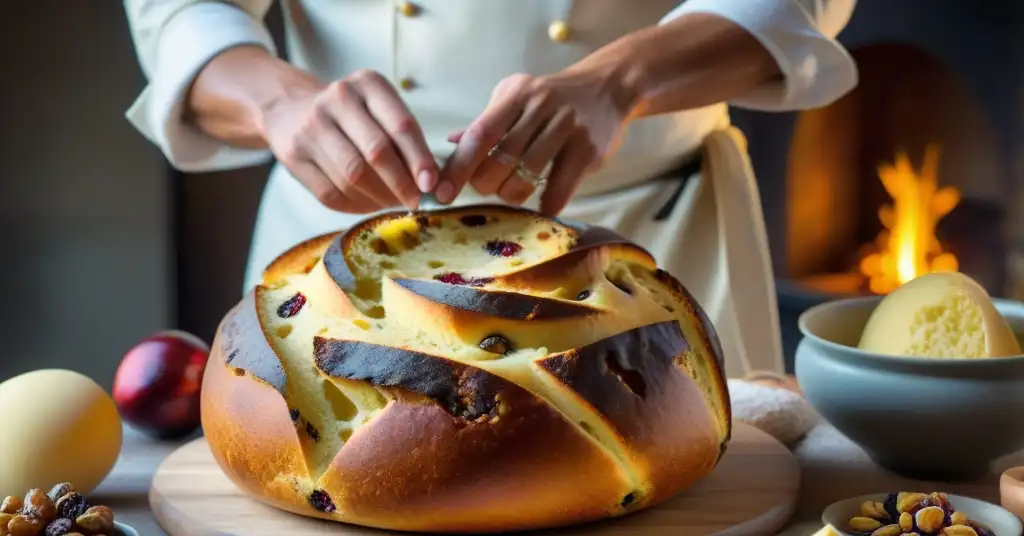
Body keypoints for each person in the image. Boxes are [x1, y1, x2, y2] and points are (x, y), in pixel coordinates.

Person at [123, 0, 857, 377]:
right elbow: (182, 11)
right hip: (343, 246)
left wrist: (622, 78)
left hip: (643, 246)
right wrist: (279, 104)